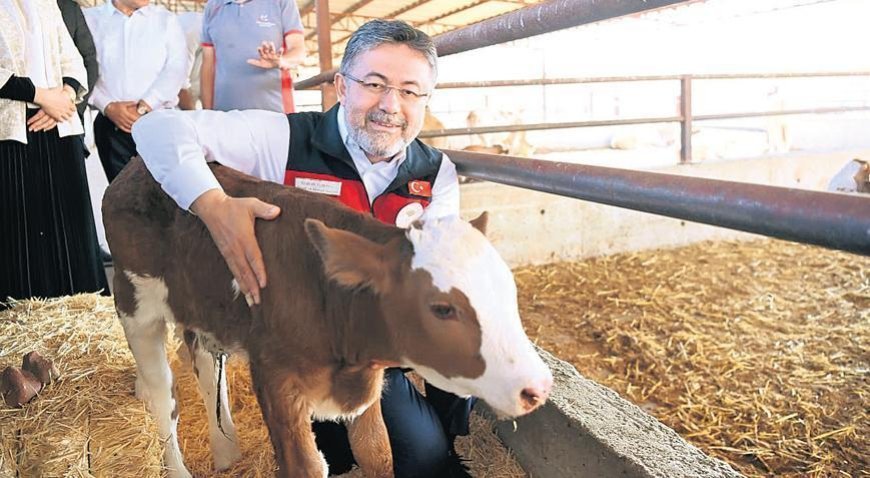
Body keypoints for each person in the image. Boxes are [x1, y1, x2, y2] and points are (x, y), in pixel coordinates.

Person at [133, 19, 473, 477]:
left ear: (425, 101)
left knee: (427, 458)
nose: (391, 106)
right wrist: (212, 206)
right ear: (341, 86)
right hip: (301, 352)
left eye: (411, 91)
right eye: (374, 84)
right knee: (324, 453)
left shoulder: (435, 175)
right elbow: (157, 127)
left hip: (375, 356)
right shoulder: (284, 138)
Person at [0, 0, 108, 304]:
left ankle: (78, 314)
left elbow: (72, 59)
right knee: (17, 230)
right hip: (11, 129)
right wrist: (40, 96)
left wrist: (65, 96)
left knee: (70, 228)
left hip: (59, 124)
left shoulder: (47, 4)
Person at [84, 0, 188, 182]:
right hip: (112, 127)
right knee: (124, 198)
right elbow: (84, 70)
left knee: (166, 195)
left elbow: (176, 69)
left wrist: (145, 106)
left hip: (159, 122)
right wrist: (107, 106)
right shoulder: (91, 20)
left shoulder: (166, 20)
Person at [200, 0, 305, 113]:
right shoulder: (213, 6)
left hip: (275, 112)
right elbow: (207, 65)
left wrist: (280, 61)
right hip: (225, 115)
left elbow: (298, 52)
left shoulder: (282, 2)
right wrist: (208, 113)